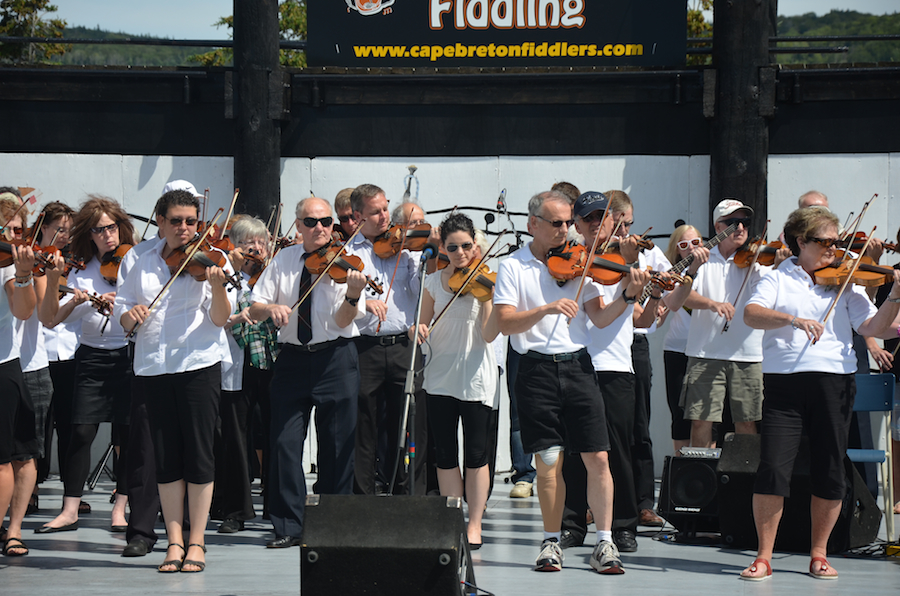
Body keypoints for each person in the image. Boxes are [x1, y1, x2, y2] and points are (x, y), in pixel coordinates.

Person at [739, 206, 900, 581]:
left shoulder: (845, 281)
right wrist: (793, 320)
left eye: (837, 241)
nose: (835, 249)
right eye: (826, 242)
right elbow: (751, 314)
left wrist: (894, 294)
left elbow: (873, 326)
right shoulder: (777, 277)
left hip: (834, 382)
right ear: (801, 242)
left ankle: (819, 553)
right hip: (785, 384)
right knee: (773, 468)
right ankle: (764, 556)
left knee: (830, 468)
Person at [493, 189, 639, 575]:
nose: (565, 231)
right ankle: (551, 540)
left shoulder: (581, 261)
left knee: (598, 456)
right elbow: (506, 322)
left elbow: (602, 318)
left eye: (567, 223)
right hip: (536, 369)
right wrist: (546, 309)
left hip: (578, 365)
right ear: (533, 225)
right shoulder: (513, 266)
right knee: (548, 461)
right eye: (556, 223)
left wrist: (629, 292)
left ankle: (604, 541)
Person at [117, 189, 235, 573]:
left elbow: (220, 319)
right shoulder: (138, 258)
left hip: (198, 364)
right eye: (176, 221)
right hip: (153, 366)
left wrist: (217, 286)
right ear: (161, 222)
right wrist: (130, 316)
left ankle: (197, 542)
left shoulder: (212, 259)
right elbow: (123, 310)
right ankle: (173, 542)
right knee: (165, 458)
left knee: (199, 454)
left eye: (191, 222)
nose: (185, 229)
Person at [249, 196, 366, 548]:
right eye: (311, 222)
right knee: (284, 443)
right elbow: (253, 307)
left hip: (336, 359)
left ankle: (332, 526)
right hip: (292, 359)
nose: (320, 229)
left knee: (336, 446)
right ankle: (289, 526)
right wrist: (271, 308)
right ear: (298, 226)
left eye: (327, 222)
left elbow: (344, 322)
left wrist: (353, 296)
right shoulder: (283, 260)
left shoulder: (346, 263)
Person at [39, 196, 135, 534]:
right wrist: (82, 303)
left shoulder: (134, 261)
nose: (108, 236)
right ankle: (69, 508)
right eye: (99, 230)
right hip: (91, 354)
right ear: (89, 234)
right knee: (81, 431)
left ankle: (120, 508)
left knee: (127, 433)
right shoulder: (79, 267)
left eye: (112, 228)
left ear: (120, 227)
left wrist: (121, 303)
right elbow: (56, 319)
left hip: (127, 354)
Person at [409, 213, 499, 548]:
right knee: (445, 452)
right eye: (452, 247)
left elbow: (490, 335)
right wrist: (416, 329)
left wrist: (487, 299)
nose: (460, 253)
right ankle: (453, 519)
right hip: (439, 376)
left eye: (466, 246)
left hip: (475, 376)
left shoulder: (487, 283)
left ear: (475, 245)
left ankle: (475, 523)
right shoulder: (433, 282)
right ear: (443, 248)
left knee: (476, 453)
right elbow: (420, 323)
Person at [348, 184, 429, 496]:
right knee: (362, 427)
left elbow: (419, 290)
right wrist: (362, 303)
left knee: (410, 426)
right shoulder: (348, 253)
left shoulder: (406, 250)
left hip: (403, 347)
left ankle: (410, 497)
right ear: (357, 217)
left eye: (385, 209)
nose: (384, 217)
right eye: (375, 212)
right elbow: (338, 301)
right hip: (364, 347)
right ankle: (362, 500)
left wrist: (423, 257)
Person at [212, 215, 278, 533]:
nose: (256, 248)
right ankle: (236, 510)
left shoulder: (275, 274)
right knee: (235, 439)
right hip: (236, 365)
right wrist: (241, 315)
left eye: (261, 242)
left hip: (272, 363)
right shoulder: (225, 276)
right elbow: (217, 318)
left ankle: (278, 507)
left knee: (278, 436)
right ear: (234, 247)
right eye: (247, 243)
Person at [681, 199, 765, 448]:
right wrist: (712, 303)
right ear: (718, 228)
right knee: (700, 421)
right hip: (705, 352)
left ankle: (744, 480)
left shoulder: (757, 260)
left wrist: (778, 263)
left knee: (747, 422)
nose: (740, 228)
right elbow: (685, 294)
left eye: (745, 223)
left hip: (748, 354)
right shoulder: (702, 257)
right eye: (732, 223)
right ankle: (701, 481)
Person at [0, 193, 40, 558]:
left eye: (17, 229)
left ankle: (11, 529)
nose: (12, 238)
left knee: (13, 456)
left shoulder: (11, 265)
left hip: (3, 366)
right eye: (6, 229)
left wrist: (25, 273)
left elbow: (24, 310)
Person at [662, 225, 708, 453]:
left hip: (706, 349)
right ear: (677, 251)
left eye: (695, 243)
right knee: (679, 413)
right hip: (677, 349)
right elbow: (673, 302)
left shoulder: (714, 270)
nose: (691, 248)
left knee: (707, 414)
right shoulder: (672, 275)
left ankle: (705, 467)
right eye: (684, 245)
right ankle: (680, 467)